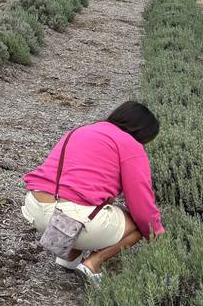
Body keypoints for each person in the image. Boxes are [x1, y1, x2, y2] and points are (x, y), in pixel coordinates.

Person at [21, 101, 165, 284]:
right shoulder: (130, 144)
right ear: (142, 133)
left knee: (89, 199)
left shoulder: (81, 131)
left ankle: (69, 257)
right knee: (138, 222)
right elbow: (141, 204)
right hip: (70, 217)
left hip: (35, 207)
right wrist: (156, 234)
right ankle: (93, 264)